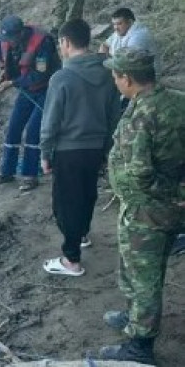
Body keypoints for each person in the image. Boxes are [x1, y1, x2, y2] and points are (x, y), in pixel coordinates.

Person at [96, 48, 185, 364]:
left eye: (115, 76)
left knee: (144, 274)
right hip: (162, 209)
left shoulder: (142, 116)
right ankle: (134, 315)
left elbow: (141, 174)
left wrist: (174, 192)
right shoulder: (175, 100)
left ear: (127, 78)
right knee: (137, 267)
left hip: (147, 210)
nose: (114, 80)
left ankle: (140, 345)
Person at [39, 19, 122, 277]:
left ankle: (71, 260)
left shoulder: (61, 78)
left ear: (65, 42)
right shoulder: (108, 74)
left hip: (69, 150)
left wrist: (45, 152)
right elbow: (114, 116)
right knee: (87, 194)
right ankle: (82, 234)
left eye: (60, 43)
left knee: (65, 203)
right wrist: (108, 147)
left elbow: (50, 122)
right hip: (96, 147)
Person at [0, 15, 60, 191]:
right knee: (14, 128)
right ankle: (7, 172)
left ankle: (30, 175)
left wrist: (12, 83)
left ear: (21, 34)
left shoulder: (42, 42)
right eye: (6, 39)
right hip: (26, 89)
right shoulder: (0, 41)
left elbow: (41, 74)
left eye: (11, 39)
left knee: (33, 130)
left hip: (46, 89)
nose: (9, 42)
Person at [99, 7, 159, 71]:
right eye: (114, 24)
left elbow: (128, 64)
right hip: (126, 71)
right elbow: (104, 45)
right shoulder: (121, 31)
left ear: (130, 22)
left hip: (143, 77)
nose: (116, 27)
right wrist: (103, 60)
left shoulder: (138, 37)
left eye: (119, 24)